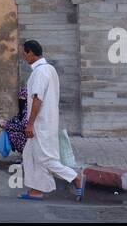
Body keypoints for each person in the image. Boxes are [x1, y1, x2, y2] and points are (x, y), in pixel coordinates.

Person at [18, 40, 85, 201]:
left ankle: (76, 178)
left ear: (31, 53)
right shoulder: (50, 69)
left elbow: (37, 99)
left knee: (46, 159)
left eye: (25, 54)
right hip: (46, 122)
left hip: (40, 123)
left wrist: (30, 123)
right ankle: (36, 191)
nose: (24, 57)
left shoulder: (40, 72)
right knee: (31, 155)